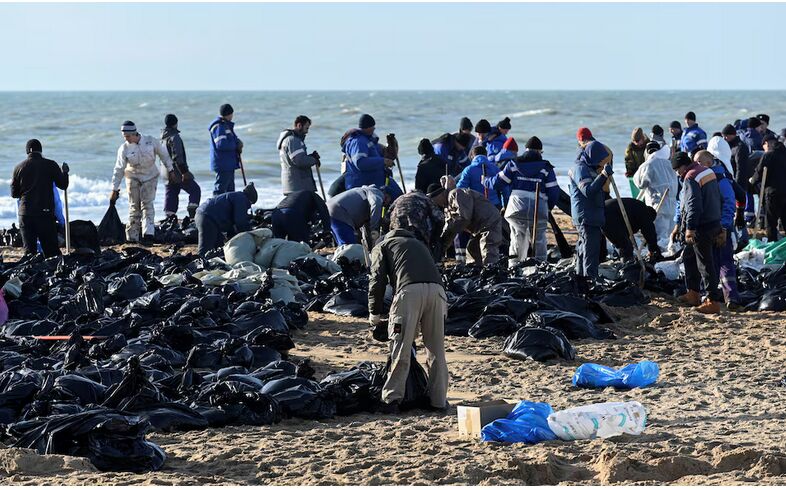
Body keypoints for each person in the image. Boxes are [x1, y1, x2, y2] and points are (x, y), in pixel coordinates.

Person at [367, 228, 448, 412]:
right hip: (438, 293)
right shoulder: (419, 244)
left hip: (409, 293)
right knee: (436, 349)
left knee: (400, 345)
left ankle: (391, 399)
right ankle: (438, 401)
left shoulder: (383, 245)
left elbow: (377, 279)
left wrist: (375, 312)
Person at [486, 136, 558, 264]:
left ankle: (514, 268)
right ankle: (540, 267)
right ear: (539, 151)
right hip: (538, 207)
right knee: (539, 238)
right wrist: (548, 208)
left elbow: (498, 183)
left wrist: (485, 181)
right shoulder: (546, 168)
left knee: (516, 238)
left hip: (516, 207)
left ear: (525, 150)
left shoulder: (513, 164)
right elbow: (553, 192)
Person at [670, 152, 723, 314]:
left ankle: (712, 301)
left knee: (705, 264)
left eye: (678, 169)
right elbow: (717, 198)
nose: (678, 173)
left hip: (702, 226)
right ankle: (693, 293)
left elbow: (693, 205)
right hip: (713, 221)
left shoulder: (691, 177)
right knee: (689, 257)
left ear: (684, 166)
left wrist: (690, 228)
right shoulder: (707, 171)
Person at [110, 121, 176, 244]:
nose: (126, 139)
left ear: (134, 133)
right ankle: (132, 237)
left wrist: (171, 170)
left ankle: (148, 234)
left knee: (147, 205)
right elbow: (118, 169)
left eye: (128, 136)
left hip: (150, 177)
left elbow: (164, 155)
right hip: (132, 178)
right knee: (134, 207)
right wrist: (114, 189)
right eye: (124, 137)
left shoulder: (150, 142)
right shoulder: (124, 149)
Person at [694, 150, 742, 310]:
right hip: (708, 226)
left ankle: (731, 298)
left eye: (698, 162)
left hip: (720, 227)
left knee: (724, 261)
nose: (696, 166)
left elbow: (730, 202)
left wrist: (724, 227)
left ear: (708, 163)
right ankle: (711, 297)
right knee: (710, 263)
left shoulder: (720, 179)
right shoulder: (706, 178)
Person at [11, 139, 69, 257]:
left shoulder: (18, 168)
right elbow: (63, 185)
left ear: (27, 151)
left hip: (25, 214)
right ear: (41, 151)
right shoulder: (50, 164)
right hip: (45, 214)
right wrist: (65, 172)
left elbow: (14, 194)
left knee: (29, 254)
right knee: (51, 253)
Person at [569, 127, 613, 278]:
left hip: (591, 215)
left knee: (584, 251)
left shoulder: (588, 167)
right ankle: (589, 282)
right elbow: (588, 191)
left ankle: (582, 281)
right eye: (599, 159)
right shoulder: (580, 168)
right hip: (586, 216)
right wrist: (604, 175)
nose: (601, 162)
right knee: (590, 253)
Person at [431, 176, 504, 266]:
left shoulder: (456, 194)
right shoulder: (448, 204)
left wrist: (445, 238)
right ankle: (477, 272)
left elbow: (463, 218)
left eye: (435, 200)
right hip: (480, 226)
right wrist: (443, 244)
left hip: (489, 222)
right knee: (472, 249)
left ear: (440, 195)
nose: (436, 204)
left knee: (488, 249)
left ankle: (492, 271)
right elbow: (454, 223)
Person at [341, 114, 402, 198]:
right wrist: (383, 161)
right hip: (364, 185)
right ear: (367, 127)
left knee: (398, 195)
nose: (374, 128)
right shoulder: (358, 142)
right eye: (372, 126)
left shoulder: (368, 140)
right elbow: (360, 163)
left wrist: (391, 148)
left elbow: (381, 153)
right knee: (397, 197)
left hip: (378, 180)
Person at [633, 141, 679, 250]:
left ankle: (661, 260)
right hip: (672, 205)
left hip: (657, 205)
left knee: (660, 237)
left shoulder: (648, 165)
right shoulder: (669, 163)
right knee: (670, 236)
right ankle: (671, 256)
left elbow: (640, 184)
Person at [194, 183, 257, 256]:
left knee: (219, 247)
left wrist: (232, 234)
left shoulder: (235, 196)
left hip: (205, 215)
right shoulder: (242, 199)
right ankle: (198, 264)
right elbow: (240, 221)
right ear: (250, 200)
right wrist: (249, 234)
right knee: (205, 248)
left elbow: (231, 219)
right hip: (208, 218)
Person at [161, 114, 201, 219]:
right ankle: (192, 214)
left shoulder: (162, 138)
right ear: (176, 123)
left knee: (171, 193)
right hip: (177, 172)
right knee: (195, 190)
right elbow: (177, 157)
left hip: (166, 173)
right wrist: (184, 172)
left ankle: (169, 218)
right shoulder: (175, 137)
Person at [386, 189, 445, 260]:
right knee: (423, 255)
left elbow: (386, 217)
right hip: (415, 230)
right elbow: (440, 219)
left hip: (396, 230)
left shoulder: (399, 199)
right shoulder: (425, 198)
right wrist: (435, 238)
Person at [751, 134, 786, 241]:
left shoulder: (768, 155)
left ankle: (773, 244)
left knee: (771, 222)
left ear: (767, 143)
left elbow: (759, 173)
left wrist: (752, 180)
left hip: (772, 193)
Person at [278, 115, 321, 195]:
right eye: (306, 128)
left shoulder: (290, 140)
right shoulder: (293, 140)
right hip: (298, 186)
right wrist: (314, 160)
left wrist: (310, 157)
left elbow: (297, 158)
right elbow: (299, 160)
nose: (307, 131)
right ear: (299, 125)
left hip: (294, 186)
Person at [722, 124, 754, 225]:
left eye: (726, 136)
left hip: (739, 183)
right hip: (732, 181)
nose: (724, 138)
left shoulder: (740, 147)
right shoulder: (730, 146)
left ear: (733, 135)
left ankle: (741, 232)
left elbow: (741, 169)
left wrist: (737, 186)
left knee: (739, 210)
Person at [209, 104, 243, 196]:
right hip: (223, 163)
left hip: (228, 163)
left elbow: (230, 139)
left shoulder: (225, 125)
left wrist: (237, 141)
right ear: (229, 114)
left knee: (230, 191)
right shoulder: (219, 126)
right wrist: (235, 145)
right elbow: (221, 144)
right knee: (220, 189)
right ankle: (216, 208)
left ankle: (229, 209)